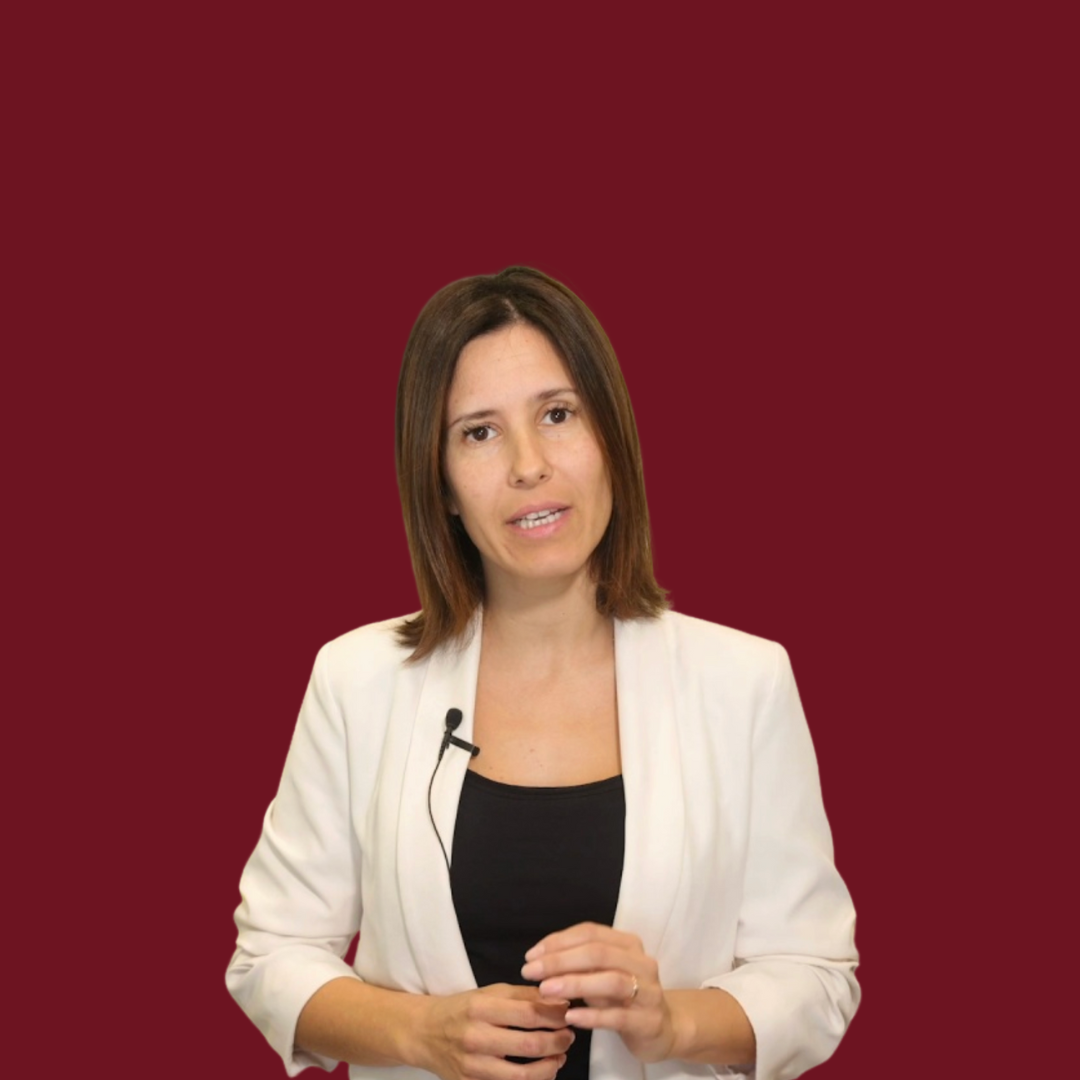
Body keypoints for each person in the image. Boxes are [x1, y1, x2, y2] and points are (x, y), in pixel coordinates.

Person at [226, 267, 860, 1080]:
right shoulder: (356, 681)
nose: (529, 465)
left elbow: (815, 978)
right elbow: (271, 956)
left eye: (558, 414)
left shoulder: (745, 683)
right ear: (440, 482)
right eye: (479, 433)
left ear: (610, 438)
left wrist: (672, 1022)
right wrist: (422, 1034)